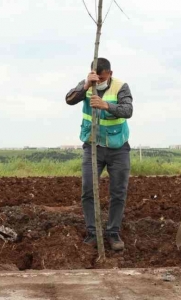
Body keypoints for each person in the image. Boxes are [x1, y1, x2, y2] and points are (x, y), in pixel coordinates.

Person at [65, 58, 133, 251]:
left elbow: (128, 110)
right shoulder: (87, 84)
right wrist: (86, 85)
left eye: (102, 77)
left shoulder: (121, 86)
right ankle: (92, 232)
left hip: (118, 148)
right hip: (92, 147)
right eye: (97, 77)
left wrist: (106, 105)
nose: (100, 81)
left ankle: (113, 232)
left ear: (110, 73)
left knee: (118, 192)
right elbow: (69, 99)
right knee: (88, 190)